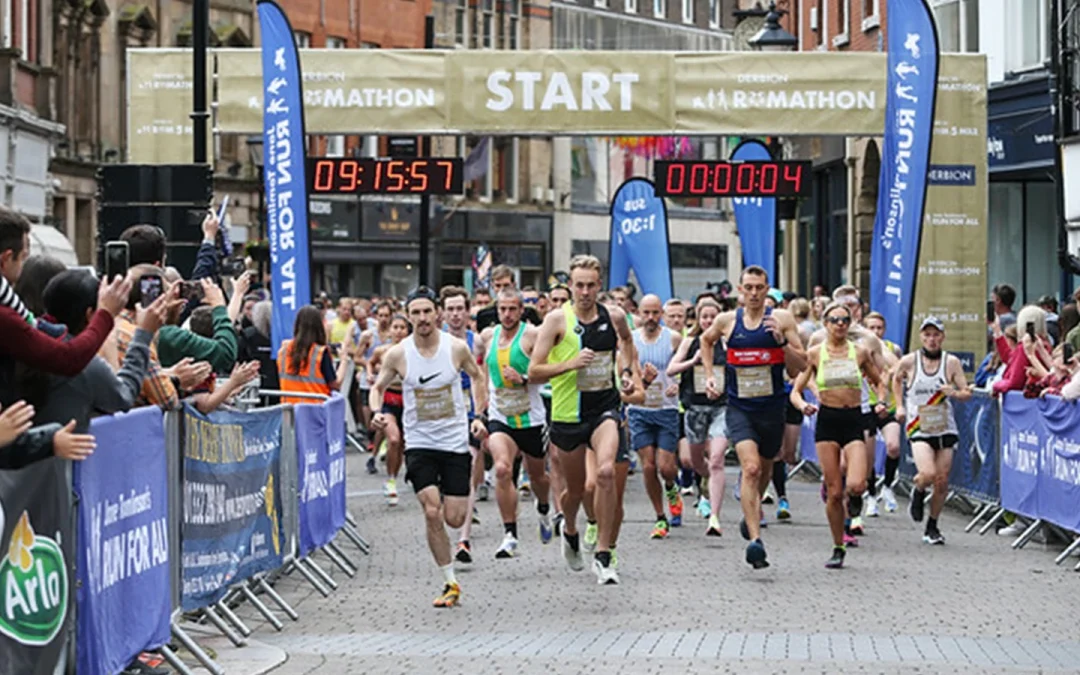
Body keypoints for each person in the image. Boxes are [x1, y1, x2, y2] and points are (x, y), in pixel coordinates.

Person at [369, 286, 487, 608]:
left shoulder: (456, 348)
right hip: (419, 443)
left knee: (454, 517)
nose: (422, 318)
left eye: (426, 311)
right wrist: (378, 412)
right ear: (408, 316)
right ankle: (450, 582)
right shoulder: (398, 354)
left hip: (454, 443)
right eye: (415, 312)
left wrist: (478, 415)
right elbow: (377, 388)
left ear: (437, 313)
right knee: (432, 511)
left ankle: (449, 546)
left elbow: (478, 377)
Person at [528, 255, 641, 585]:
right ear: (570, 286)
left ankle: (604, 554)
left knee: (606, 472)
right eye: (579, 285)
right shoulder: (555, 321)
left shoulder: (615, 315)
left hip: (605, 408)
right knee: (575, 491)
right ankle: (571, 528)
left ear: (599, 285)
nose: (585, 291)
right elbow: (534, 371)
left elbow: (628, 343)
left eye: (591, 285)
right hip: (566, 415)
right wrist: (570, 364)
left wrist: (627, 372)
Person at [699, 265, 806, 569]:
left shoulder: (781, 320)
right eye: (749, 287)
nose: (754, 293)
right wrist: (710, 376)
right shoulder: (727, 321)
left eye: (760, 287)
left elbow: (802, 364)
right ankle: (755, 542)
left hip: (772, 409)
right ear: (740, 289)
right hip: (739, 409)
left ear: (767, 288)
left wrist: (782, 344)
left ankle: (751, 510)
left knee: (767, 467)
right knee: (751, 467)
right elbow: (705, 341)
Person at [791, 302, 888, 568]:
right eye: (835, 320)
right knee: (834, 493)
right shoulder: (814, 353)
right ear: (826, 324)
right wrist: (804, 406)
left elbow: (879, 383)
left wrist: (881, 402)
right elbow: (796, 391)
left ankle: (855, 501)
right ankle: (837, 545)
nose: (840, 324)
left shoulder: (860, 352)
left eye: (845, 320)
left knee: (857, 484)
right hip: (828, 422)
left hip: (853, 419)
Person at [477, 287, 553, 558]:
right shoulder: (487, 336)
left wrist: (523, 378)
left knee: (538, 477)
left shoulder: (533, 335)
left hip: (530, 418)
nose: (507, 314)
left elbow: (548, 374)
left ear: (521, 310)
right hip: (501, 417)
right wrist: (481, 408)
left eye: (512, 309)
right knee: (501, 469)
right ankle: (510, 533)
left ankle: (544, 508)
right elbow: (482, 375)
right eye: (502, 309)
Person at [893, 317, 971, 545]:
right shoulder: (909, 361)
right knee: (927, 473)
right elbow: (896, 380)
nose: (932, 339)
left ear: (943, 337)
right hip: (919, 425)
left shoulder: (951, 363)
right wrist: (899, 405)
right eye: (927, 335)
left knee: (942, 480)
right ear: (921, 337)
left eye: (936, 334)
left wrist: (954, 392)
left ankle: (932, 525)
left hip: (945, 426)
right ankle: (918, 490)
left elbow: (966, 392)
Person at [667, 297, 728, 536]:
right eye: (705, 317)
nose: (709, 321)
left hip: (722, 408)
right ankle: (704, 484)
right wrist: (693, 361)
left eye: (713, 317)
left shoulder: (727, 342)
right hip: (694, 409)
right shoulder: (690, 342)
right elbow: (671, 369)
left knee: (716, 460)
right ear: (698, 319)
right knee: (693, 462)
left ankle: (714, 516)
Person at [626, 294, 683, 539]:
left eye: (655, 313)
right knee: (648, 466)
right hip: (640, 410)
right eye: (646, 313)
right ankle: (660, 517)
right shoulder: (632, 340)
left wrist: (679, 383)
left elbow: (686, 368)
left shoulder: (674, 338)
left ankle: (671, 488)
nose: (650, 318)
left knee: (666, 467)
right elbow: (625, 371)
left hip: (667, 409)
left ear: (662, 314)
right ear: (639, 313)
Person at [439, 286, 486, 563]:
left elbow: (485, 375)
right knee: (447, 478)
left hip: (469, 415)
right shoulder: (436, 341)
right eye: (451, 309)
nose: (456, 315)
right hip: (443, 416)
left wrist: (482, 409)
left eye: (460, 309)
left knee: (467, 471)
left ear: (468, 312)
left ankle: (463, 541)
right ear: (442, 313)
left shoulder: (476, 341)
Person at [367, 314, 412, 505]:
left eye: (403, 327)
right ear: (390, 330)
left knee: (402, 445)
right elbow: (370, 361)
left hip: (409, 402)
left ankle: (394, 474)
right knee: (393, 439)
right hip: (389, 400)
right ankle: (391, 481)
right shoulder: (383, 350)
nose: (399, 331)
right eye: (395, 327)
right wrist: (370, 374)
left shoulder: (414, 351)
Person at [277, 305, 350, 405]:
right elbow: (335, 384)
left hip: (288, 410)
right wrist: (344, 360)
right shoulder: (320, 352)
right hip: (315, 411)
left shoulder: (283, 350)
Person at [474, 265, 542, 331]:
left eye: (506, 285)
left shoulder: (529, 312)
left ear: (514, 285)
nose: (502, 289)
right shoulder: (484, 314)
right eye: (498, 286)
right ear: (492, 286)